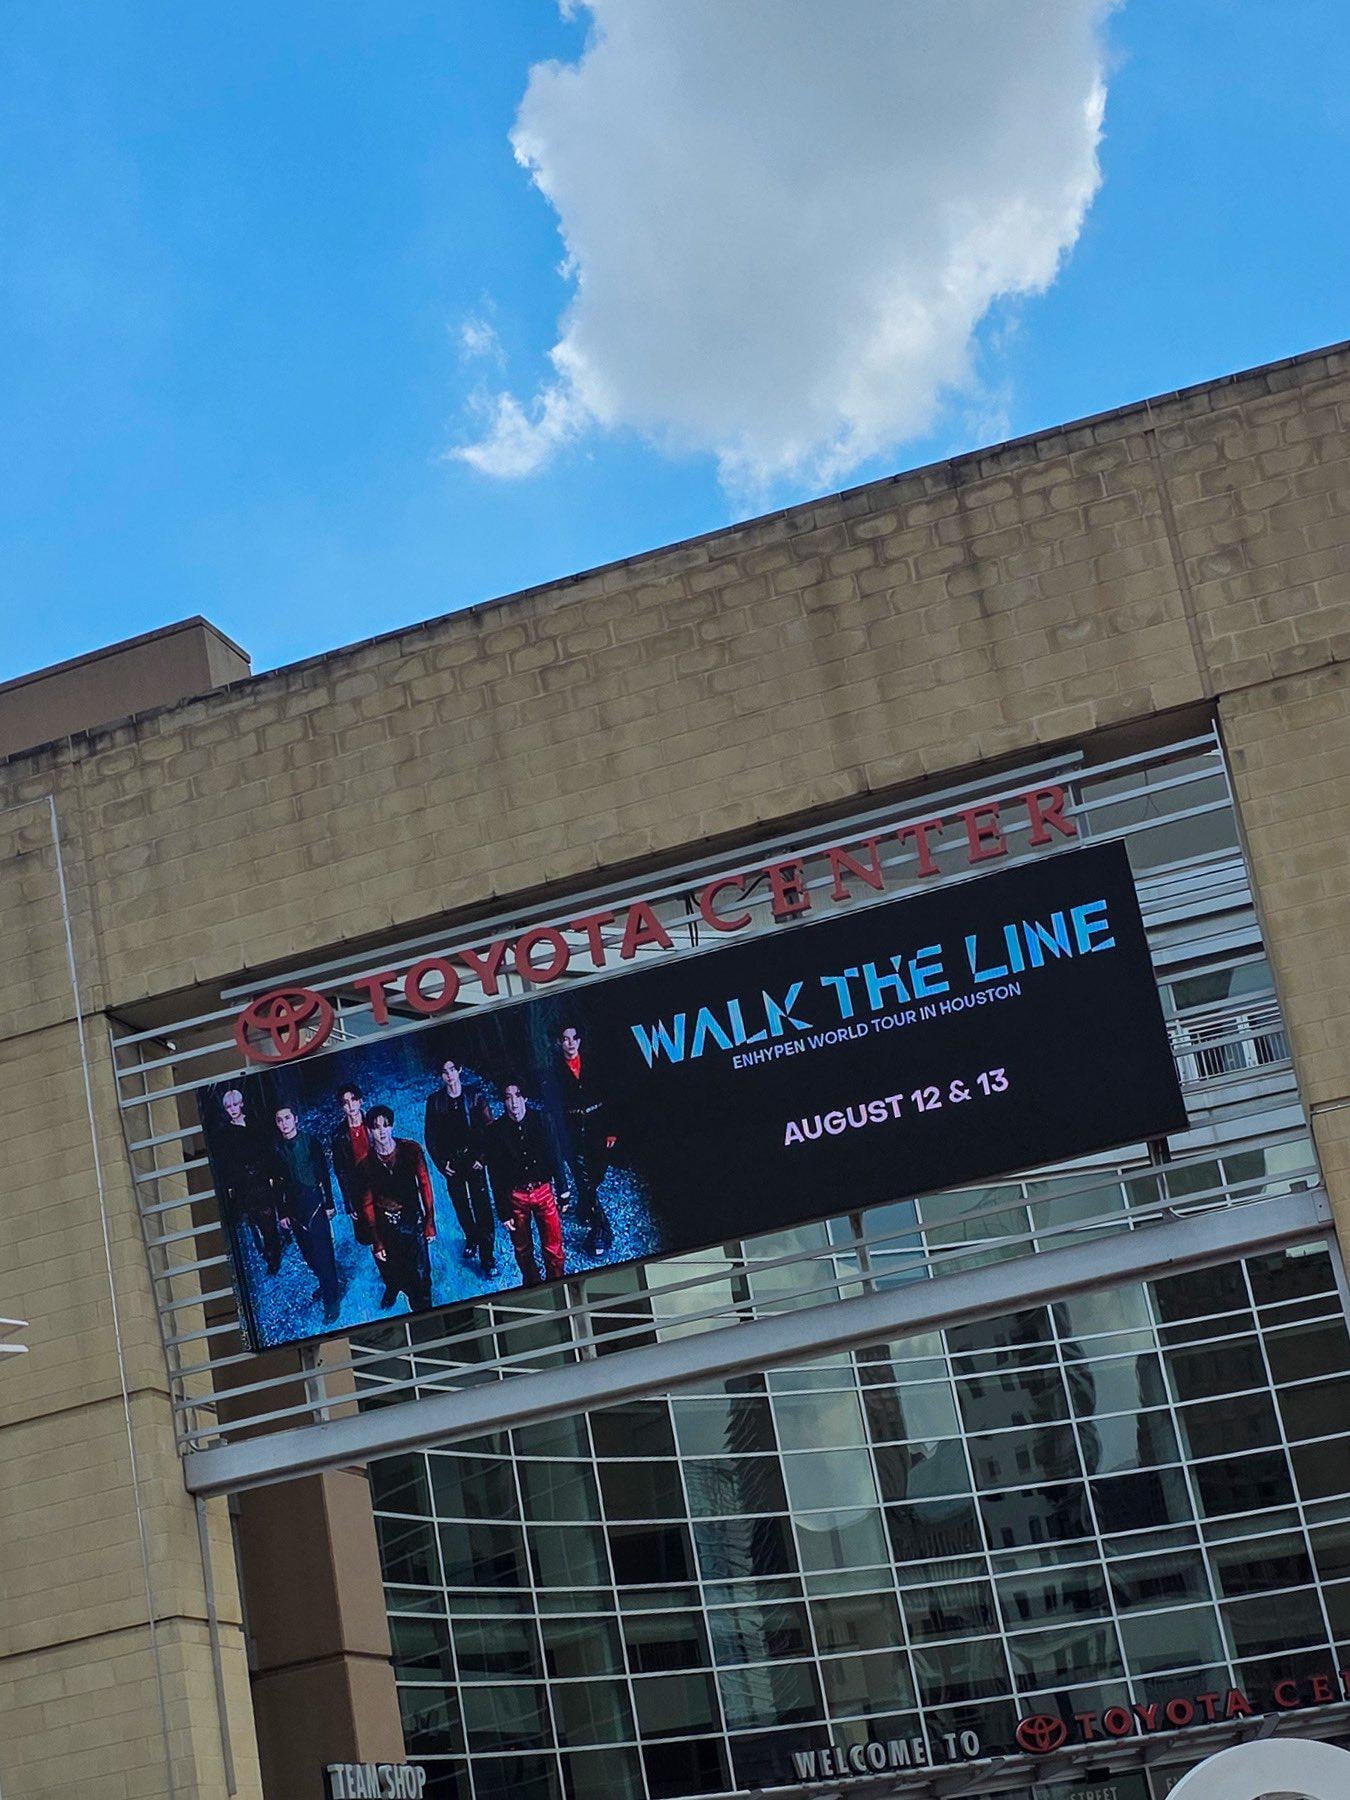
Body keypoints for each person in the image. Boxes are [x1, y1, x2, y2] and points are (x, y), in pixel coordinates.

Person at [488, 1081, 568, 1287]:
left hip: (543, 1191)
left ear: (524, 1097)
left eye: (517, 1096)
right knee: (522, 1248)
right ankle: (532, 1284)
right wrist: (503, 1212)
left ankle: (557, 1284)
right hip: (516, 1196)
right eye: (508, 1097)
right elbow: (495, 1174)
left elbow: (556, 1156)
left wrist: (563, 1191)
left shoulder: (542, 1120)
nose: (513, 1103)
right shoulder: (496, 1131)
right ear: (504, 1101)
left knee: (553, 1245)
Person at [424, 1056, 497, 1273]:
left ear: (460, 1070)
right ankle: (471, 1238)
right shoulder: (435, 1101)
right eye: (445, 1072)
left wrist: (482, 1158)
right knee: (461, 1205)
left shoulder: (474, 1097)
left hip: (474, 1160)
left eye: (452, 1070)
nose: (449, 1076)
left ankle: (488, 1256)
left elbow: (489, 1129)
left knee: (482, 1206)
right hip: (452, 1163)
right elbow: (430, 1137)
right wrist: (441, 1164)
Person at [361, 1103, 436, 1313]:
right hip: (386, 1224)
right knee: (393, 1268)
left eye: (386, 1126)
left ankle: (425, 1311)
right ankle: (393, 1288)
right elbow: (367, 1204)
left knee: (421, 1274)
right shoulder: (366, 1165)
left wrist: (430, 1221)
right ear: (369, 1130)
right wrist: (377, 1241)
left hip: (413, 1220)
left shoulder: (411, 1150)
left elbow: (425, 1185)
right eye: (376, 1127)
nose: (382, 1131)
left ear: (392, 1127)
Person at [273, 1106, 341, 1324]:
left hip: (314, 1202)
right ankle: (325, 1283)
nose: (284, 1123)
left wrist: (329, 1202)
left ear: (295, 1119)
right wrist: (282, 1213)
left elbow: (323, 1173)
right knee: (309, 1255)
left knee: (323, 1253)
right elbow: (276, 1186)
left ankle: (332, 1301)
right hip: (294, 1208)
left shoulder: (311, 1142)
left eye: (287, 1118)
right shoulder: (277, 1151)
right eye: (279, 1120)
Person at [553, 1023, 616, 1255]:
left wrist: (611, 1129)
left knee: (597, 1174)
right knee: (585, 1179)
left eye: (573, 1038)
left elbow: (609, 1096)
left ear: (579, 1041)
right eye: (565, 1039)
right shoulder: (554, 1070)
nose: (570, 1043)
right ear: (560, 1042)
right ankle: (602, 1231)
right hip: (571, 1132)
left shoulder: (594, 1063)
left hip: (596, 1127)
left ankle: (584, 1207)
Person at [215, 1087, 283, 1275]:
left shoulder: (256, 1122)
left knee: (270, 1219)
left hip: (264, 1178)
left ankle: (274, 1251)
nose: (233, 1109)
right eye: (229, 1107)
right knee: (260, 1223)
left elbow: (268, 1149)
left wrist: (270, 1174)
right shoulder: (225, 1134)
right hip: (245, 1185)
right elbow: (227, 1163)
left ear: (242, 1104)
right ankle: (270, 1254)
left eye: (235, 1104)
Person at [330, 1083, 379, 1265]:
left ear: (360, 1101)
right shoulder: (339, 1135)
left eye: (353, 1100)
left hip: (380, 1182)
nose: (350, 1105)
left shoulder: (375, 1123)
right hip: (359, 1190)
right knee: (369, 1232)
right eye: (345, 1102)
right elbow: (340, 1171)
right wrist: (349, 1203)